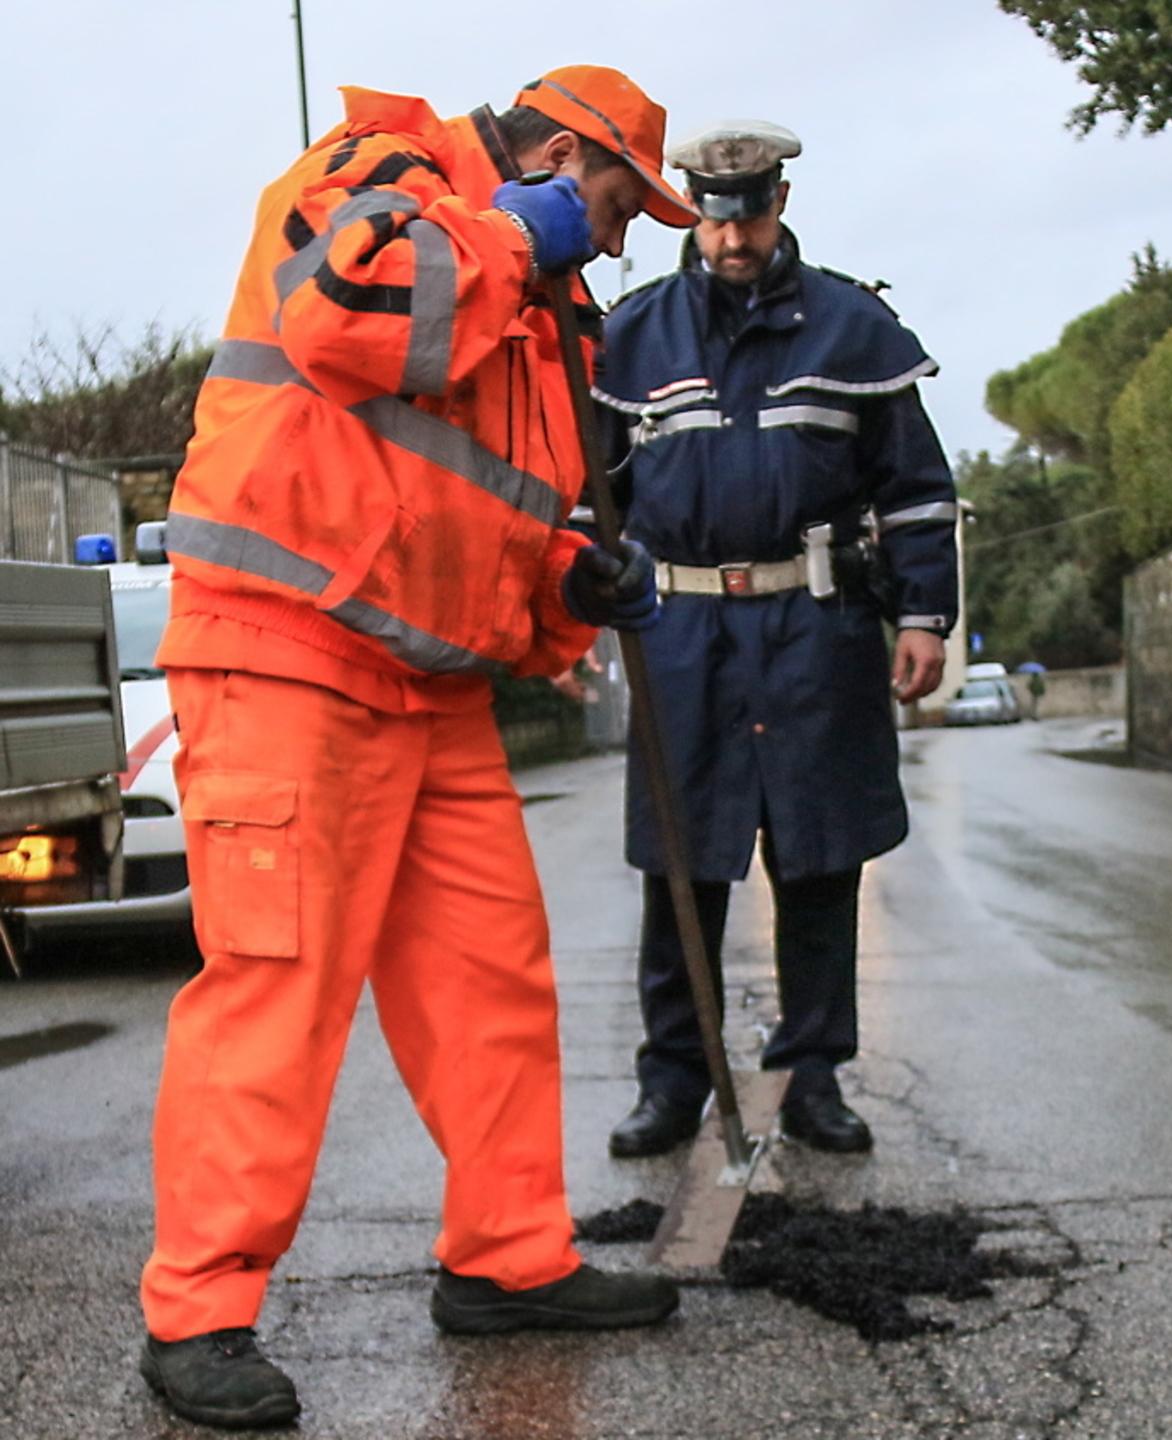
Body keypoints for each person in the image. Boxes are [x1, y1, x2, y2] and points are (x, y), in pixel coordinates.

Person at [138, 66, 697, 1430]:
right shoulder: (380, 173)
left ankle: (506, 1260)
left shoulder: (540, 312)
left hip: (425, 685)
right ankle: (199, 1308)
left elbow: (475, 510)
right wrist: (524, 232)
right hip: (285, 652)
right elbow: (354, 320)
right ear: (567, 156)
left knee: (490, 982)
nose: (621, 240)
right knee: (277, 986)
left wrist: (567, 581)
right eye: (621, 202)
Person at [595, 121, 959, 1159]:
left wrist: (923, 616)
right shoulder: (634, 335)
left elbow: (917, 490)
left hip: (817, 625)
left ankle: (812, 1076)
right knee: (681, 867)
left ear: (779, 202)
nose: (731, 239)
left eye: (748, 216)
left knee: (818, 859)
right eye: (713, 220)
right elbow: (593, 496)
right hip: (679, 631)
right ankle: (671, 1080)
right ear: (691, 214)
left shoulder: (852, 328)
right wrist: (580, 600)